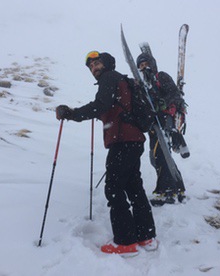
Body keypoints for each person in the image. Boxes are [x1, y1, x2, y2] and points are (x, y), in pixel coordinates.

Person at [55, 51, 157, 256]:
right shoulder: (121, 81)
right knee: (133, 186)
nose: (94, 67)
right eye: (91, 66)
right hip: (133, 140)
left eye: (97, 63)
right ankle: (146, 236)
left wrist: (72, 113)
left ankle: (126, 242)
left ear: (107, 63)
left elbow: (100, 105)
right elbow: (110, 108)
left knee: (113, 188)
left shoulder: (109, 77)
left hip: (123, 142)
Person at [136, 52, 187, 206]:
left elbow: (175, 94)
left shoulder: (161, 77)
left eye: (147, 64)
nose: (145, 68)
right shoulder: (143, 84)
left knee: (160, 154)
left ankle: (166, 191)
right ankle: (178, 188)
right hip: (153, 123)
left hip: (165, 120)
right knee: (158, 156)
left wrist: (162, 102)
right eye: (141, 65)